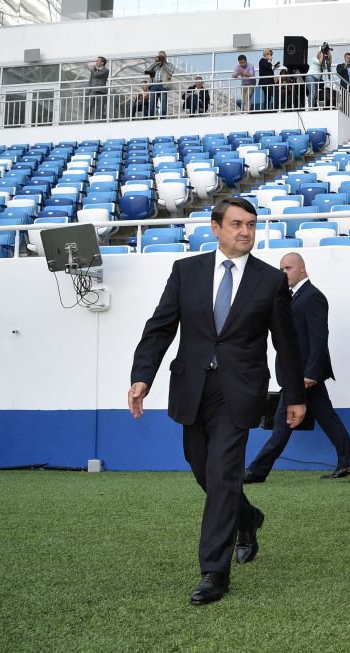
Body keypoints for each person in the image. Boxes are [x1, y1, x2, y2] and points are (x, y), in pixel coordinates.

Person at [128, 196, 307, 606]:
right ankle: (247, 517)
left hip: (239, 391)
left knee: (225, 475)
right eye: (237, 224)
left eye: (251, 224)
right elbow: (159, 328)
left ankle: (213, 571)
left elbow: (287, 343)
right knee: (203, 471)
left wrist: (294, 395)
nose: (246, 231)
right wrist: (142, 377)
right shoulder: (185, 271)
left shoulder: (269, 280)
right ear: (216, 227)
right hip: (192, 388)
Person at [246, 252, 350, 482]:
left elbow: (319, 339)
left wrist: (311, 373)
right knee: (327, 417)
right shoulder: (289, 297)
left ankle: (257, 471)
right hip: (296, 374)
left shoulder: (313, 297)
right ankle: (348, 462)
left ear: (302, 269)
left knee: (282, 424)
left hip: (303, 376)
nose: (283, 273)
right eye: (280, 269)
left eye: (287, 268)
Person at [144, 50, 174, 118]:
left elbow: (171, 72)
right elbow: (147, 71)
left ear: (166, 57)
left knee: (163, 104)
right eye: (159, 56)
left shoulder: (169, 65)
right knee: (152, 104)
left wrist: (164, 63)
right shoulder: (155, 65)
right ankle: (151, 118)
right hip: (154, 85)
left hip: (163, 84)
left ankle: (163, 118)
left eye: (162, 57)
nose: (160, 58)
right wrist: (155, 63)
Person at [86, 56, 109, 121]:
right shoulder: (94, 70)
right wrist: (88, 90)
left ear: (102, 63)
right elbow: (90, 80)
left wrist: (93, 69)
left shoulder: (106, 70)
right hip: (93, 91)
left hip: (100, 91)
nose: (96, 62)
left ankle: (99, 121)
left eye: (98, 61)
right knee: (88, 107)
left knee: (100, 108)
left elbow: (97, 75)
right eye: (96, 61)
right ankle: (85, 120)